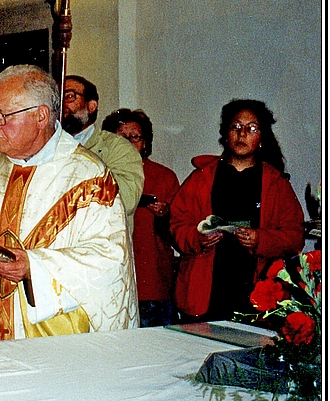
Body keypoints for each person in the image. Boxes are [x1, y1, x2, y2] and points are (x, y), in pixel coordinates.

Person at [0, 65, 138, 343]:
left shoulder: (88, 175)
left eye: (2, 116)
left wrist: (34, 266)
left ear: (41, 116)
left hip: (53, 344)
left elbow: (109, 261)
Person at [170, 100, 304, 322]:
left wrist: (261, 239)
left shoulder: (276, 183)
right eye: (236, 127)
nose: (242, 134)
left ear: (261, 138)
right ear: (226, 134)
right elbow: (176, 224)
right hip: (205, 292)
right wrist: (197, 238)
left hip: (256, 296)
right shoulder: (201, 178)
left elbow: (294, 236)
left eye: (251, 128)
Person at [103, 109, 181, 327]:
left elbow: (179, 234)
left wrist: (164, 216)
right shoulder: (99, 173)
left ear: (145, 142)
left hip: (152, 283)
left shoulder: (164, 176)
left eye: (135, 137)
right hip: (112, 282)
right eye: (121, 136)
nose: (128, 142)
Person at [60, 75, 144, 231]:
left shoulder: (119, 148)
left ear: (91, 106)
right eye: (57, 97)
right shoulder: (45, 147)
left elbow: (125, 200)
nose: (61, 104)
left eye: (69, 96)